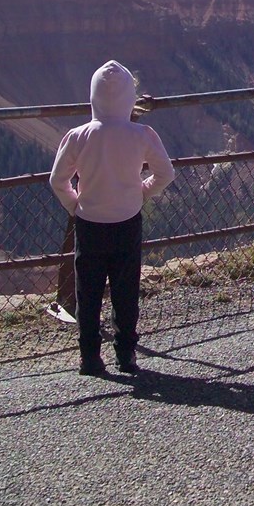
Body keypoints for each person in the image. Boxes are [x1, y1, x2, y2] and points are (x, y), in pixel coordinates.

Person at [49, 60, 175, 376]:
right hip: (126, 222)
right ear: (129, 98)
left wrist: (75, 206)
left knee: (88, 293)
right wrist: (142, 193)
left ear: (93, 97)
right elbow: (165, 174)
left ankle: (90, 358)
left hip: (89, 223)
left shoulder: (78, 136)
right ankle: (126, 355)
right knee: (125, 291)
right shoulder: (142, 134)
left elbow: (57, 180)